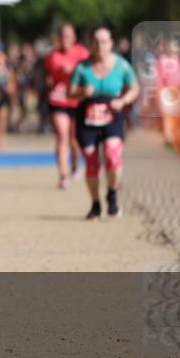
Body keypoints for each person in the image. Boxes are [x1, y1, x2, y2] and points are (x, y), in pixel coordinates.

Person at [69, 25, 140, 221]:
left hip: (112, 113)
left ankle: (112, 193)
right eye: (96, 41)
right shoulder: (82, 67)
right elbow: (69, 92)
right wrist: (82, 93)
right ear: (91, 44)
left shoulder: (122, 65)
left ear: (111, 44)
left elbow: (135, 88)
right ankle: (95, 204)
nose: (100, 45)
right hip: (87, 115)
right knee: (91, 161)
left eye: (104, 41)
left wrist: (123, 101)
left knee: (112, 154)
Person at [44, 24, 90, 189]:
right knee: (62, 136)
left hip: (77, 101)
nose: (65, 38)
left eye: (68, 35)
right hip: (59, 101)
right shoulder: (53, 55)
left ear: (74, 36)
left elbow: (87, 72)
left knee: (74, 139)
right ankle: (63, 175)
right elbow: (59, 69)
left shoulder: (82, 52)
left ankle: (76, 164)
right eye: (62, 35)